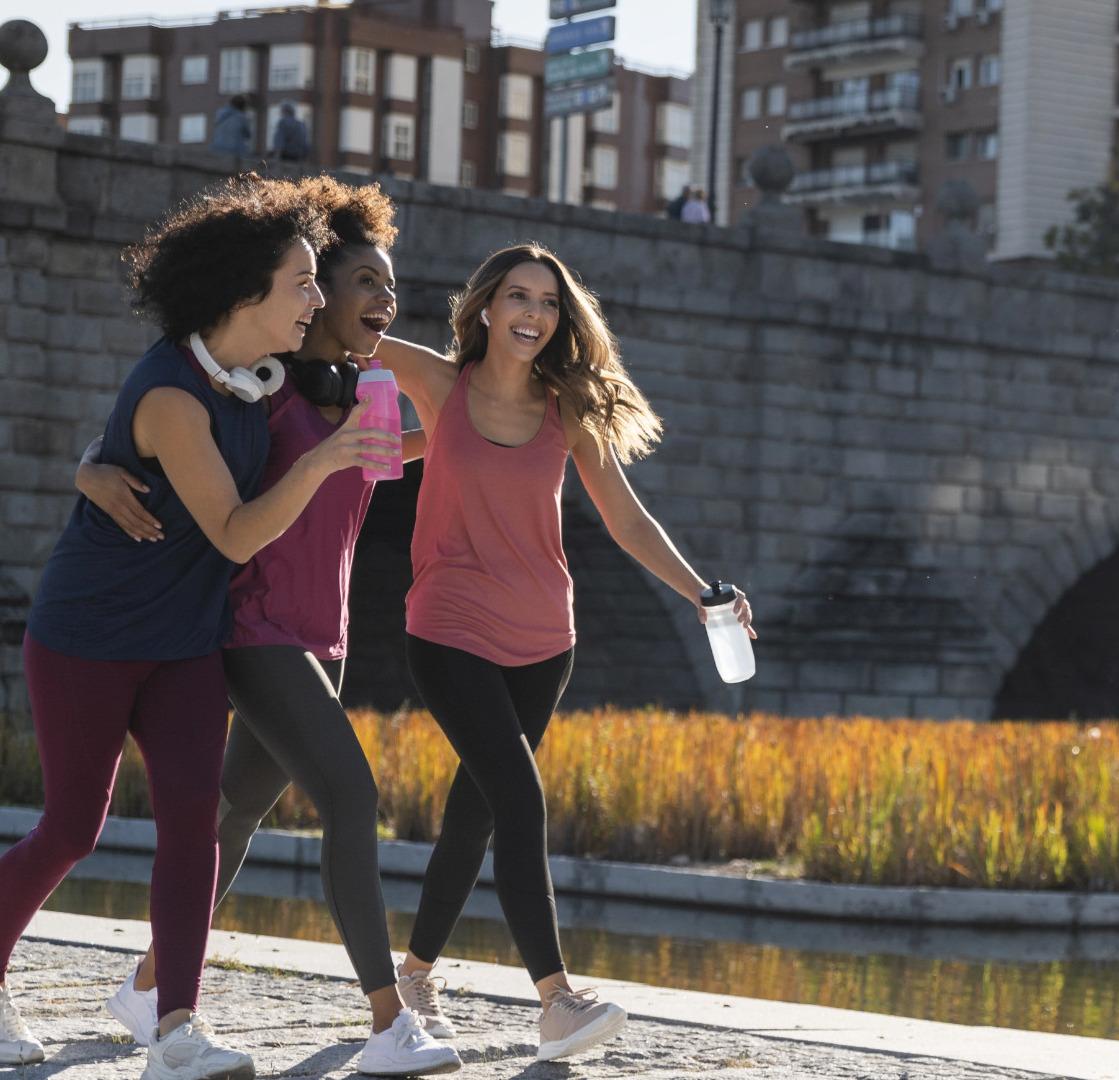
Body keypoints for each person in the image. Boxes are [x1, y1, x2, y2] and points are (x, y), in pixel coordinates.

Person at [0, 174, 397, 1078]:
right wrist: (330, 458)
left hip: (185, 642)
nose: (315, 297)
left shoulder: (261, 377)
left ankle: (175, 1030)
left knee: (193, 826)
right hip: (89, 638)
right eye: (301, 281)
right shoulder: (174, 394)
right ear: (242, 294)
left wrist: (90, 463)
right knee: (71, 829)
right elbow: (233, 528)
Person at [372, 243, 754, 1062]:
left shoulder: (565, 408)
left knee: (475, 814)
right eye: (518, 297)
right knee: (519, 798)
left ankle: (413, 977)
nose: (534, 315)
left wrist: (702, 594)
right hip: (446, 625)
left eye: (548, 303)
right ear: (484, 308)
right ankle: (557, 1001)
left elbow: (626, 519)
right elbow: (327, 329)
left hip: (545, 641)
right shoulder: (437, 381)